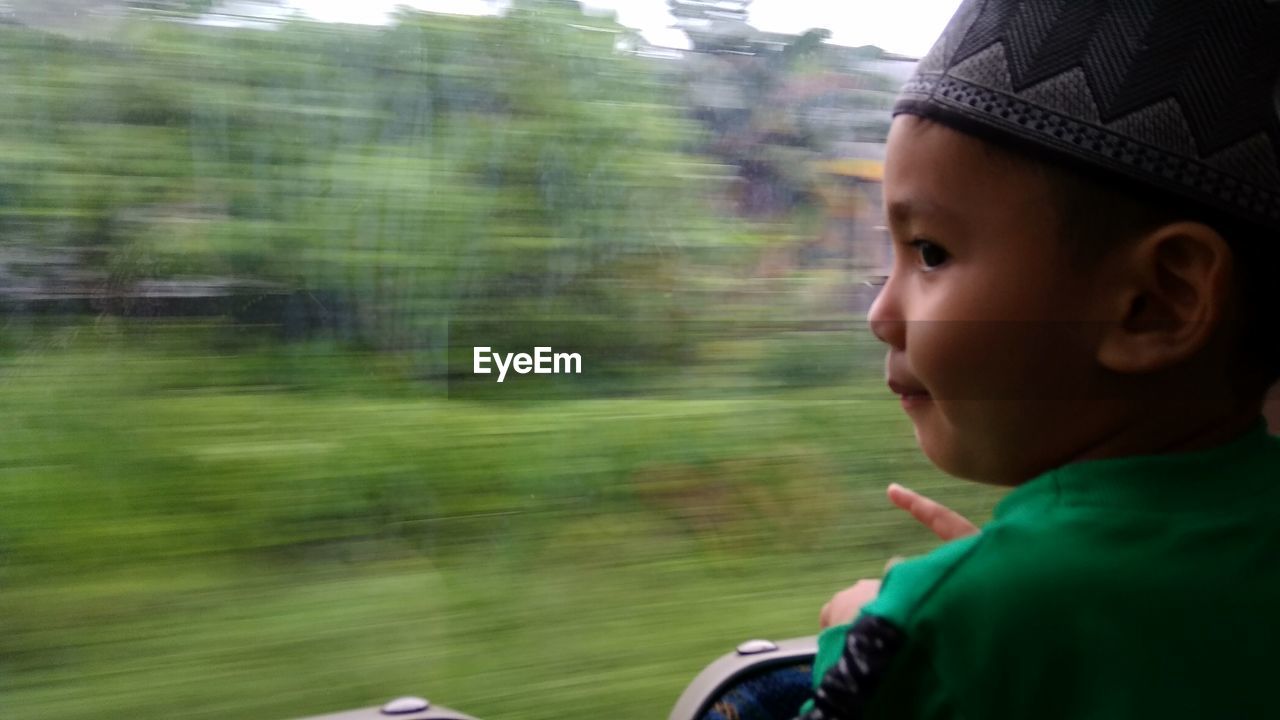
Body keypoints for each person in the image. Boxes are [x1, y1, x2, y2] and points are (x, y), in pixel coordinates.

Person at [795, 1, 1280, 718]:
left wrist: (876, 635)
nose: (879, 315)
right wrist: (1024, 582)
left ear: (1158, 301)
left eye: (930, 252)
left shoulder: (945, 626)